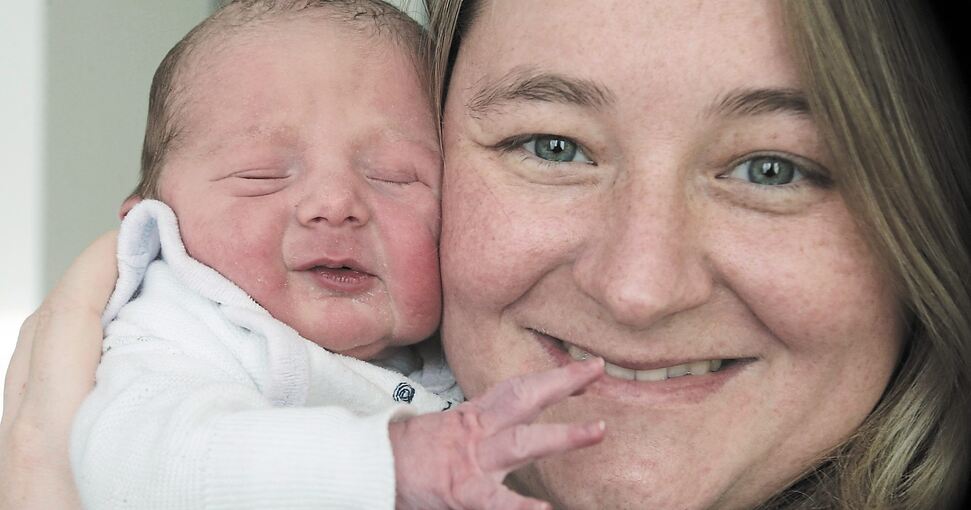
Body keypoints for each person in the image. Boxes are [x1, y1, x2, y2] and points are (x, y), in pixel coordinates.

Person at [2, 0, 969, 508]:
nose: (637, 291)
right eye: (550, 146)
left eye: (769, 168)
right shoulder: (184, 335)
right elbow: (155, 455)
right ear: (147, 229)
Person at [61, 1, 607, 509]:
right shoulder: (179, 335)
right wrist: (395, 463)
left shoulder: (471, 347)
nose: (336, 204)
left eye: (395, 177)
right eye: (262, 176)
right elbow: (133, 463)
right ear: (152, 226)